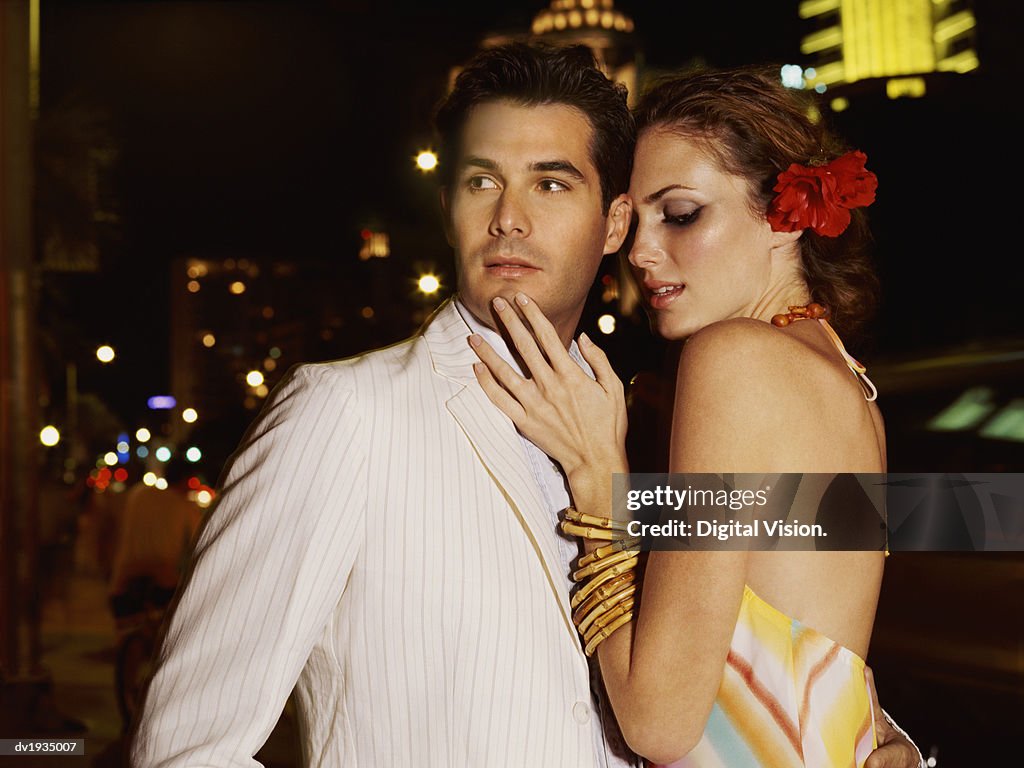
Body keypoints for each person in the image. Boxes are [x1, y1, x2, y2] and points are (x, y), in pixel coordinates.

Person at [132, 45, 921, 767]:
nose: (510, 216)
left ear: (604, 223)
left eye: (551, 182)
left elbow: (692, 700)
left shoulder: (690, 392)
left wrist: (601, 477)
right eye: (482, 181)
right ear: (447, 206)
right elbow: (186, 749)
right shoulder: (347, 416)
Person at [470, 64, 914, 767]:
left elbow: (659, 722)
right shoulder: (842, 376)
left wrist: (596, 472)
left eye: (681, 215)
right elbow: (806, 653)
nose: (641, 253)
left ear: (784, 217)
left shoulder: (735, 359)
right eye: (636, 220)